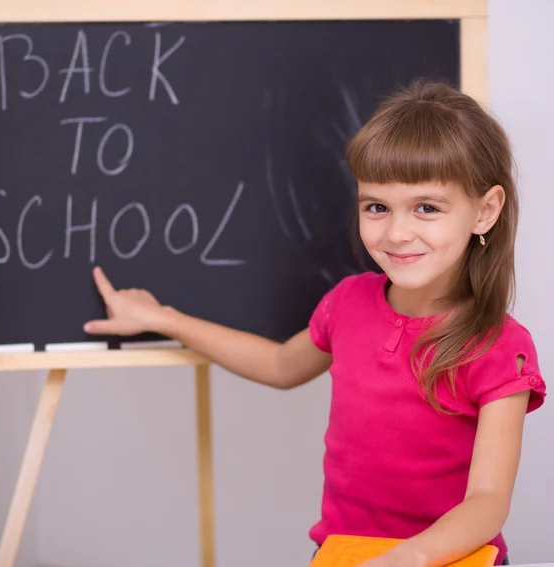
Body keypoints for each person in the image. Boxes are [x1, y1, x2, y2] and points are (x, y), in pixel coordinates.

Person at [83, 80, 546, 567]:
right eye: (377, 207)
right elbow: (280, 364)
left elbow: (488, 501)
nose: (396, 232)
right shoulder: (348, 303)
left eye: (426, 208)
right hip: (344, 555)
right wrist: (163, 318)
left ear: (485, 211)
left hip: (448, 559)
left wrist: (410, 558)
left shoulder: (500, 348)